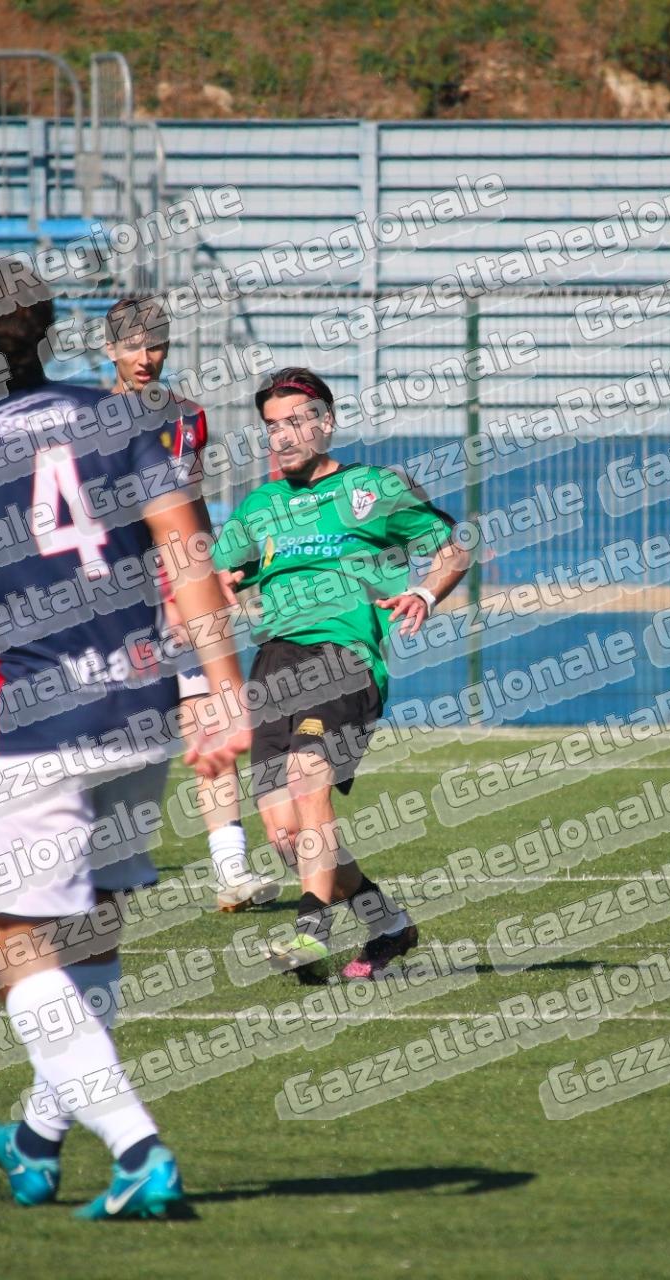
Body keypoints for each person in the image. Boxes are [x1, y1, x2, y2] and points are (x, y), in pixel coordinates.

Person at [0, 259, 249, 1220]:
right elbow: (190, 554)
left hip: (36, 724)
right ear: (54, 329)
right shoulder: (127, 420)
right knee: (89, 929)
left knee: (9, 941)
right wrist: (225, 692)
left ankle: (139, 1151)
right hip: (140, 710)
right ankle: (36, 1136)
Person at [214, 367, 470, 983]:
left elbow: (454, 547)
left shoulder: (374, 488)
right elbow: (221, 575)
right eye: (272, 426)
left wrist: (426, 594)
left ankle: (311, 930)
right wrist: (221, 586)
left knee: (308, 777)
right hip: (273, 662)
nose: (283, 435)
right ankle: (389, 924)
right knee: (285, 833)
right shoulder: (259, 506)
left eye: (297, 421)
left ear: (326, 423)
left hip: (343, 655)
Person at [104, 295, 278, 911]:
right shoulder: (82, 421)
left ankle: (232, 872)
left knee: (210, 725)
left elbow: (189, 505)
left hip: (178, 597)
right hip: (106, 604)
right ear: (109, 349)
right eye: (132, 345)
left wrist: (210, 569)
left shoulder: (188, 419)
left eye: (155, 344)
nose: (145, 357)